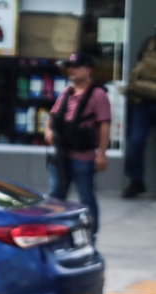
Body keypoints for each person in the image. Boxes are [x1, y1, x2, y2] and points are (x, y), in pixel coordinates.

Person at [44, 52, 111, 235]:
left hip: (84, 158)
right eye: (69, 67)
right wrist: (49, 131)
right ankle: (53, 234)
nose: (71, 70)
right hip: (61, 155)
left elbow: (104, 125)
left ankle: (90, 235)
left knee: (86, 199)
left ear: (88, 70)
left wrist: (102, 153)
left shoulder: (98, 95)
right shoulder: (66, 92)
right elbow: (51, 116)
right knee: (56, 199)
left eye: (76, 67)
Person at [123, 29, 156, 199]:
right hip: (143, 102)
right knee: (135, 142)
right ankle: (137, 181)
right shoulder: (149, 42)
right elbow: (138, 65)